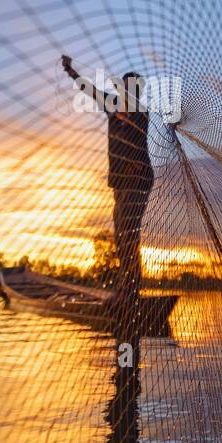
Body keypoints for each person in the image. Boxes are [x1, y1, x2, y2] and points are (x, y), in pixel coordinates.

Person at [62, 55, 154, 309]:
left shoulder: (141, 112)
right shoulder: (112, 104)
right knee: (121, 237)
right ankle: (128, 289)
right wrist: (71, 70)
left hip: (138, 181)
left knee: (129, 236)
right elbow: (88, 88)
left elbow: (136, 131)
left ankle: (131, 293)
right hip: (120, 183)